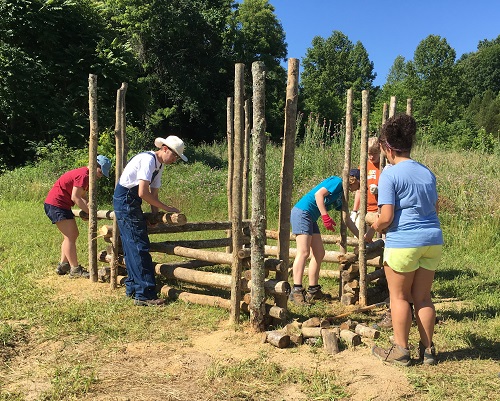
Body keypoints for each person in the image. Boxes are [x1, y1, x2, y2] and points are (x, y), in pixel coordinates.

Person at [365, 114, 443, 366]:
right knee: (423, 297)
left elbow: (386, 217)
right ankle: (428, 350)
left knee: (399, 297)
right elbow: (435, 209)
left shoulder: (390, 175)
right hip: (432, 240)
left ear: (387, 147)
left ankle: (401, 351)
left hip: (404, 242)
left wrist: (373, 226)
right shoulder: (427, 172)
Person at [113, 136, 187, 307]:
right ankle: (145, 294)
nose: (175, 160)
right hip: (126, 200)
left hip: (129, 201)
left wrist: (155, 216)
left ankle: (133, 288)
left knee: (132, 246)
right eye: (175, 156)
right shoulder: (148, 160)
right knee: (139, 246)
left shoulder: (159, 164)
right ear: (165, 149)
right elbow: (142, 193)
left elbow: (154, 193)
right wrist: (167, 208)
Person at [288, 169, 361, 305]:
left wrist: (361, 237)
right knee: (303, 252)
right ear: (354, 180)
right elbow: (318, 195)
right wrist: (325, 216)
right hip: (302, 213)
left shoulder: (342, 195)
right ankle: (296, 291)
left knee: (319, 253)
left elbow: (347, 220)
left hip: (311, 217)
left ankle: (313, 290)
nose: (358, 189)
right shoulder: (337, 182)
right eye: (360, 185)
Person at [45, 154, 112, 278]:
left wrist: (87, 208)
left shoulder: (86, 176)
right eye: (100, 172)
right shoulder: (84, 175)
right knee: (71, 235)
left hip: (60, 205)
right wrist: (91, 213)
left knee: (70, 236)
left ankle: (64, 265)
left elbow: (82, 196)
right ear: (95, 166)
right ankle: (75, 269)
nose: (100, 176)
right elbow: (75, 197)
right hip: (57, 205)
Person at [350, 136, 381, 228]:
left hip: (381, 209)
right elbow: (359, 190)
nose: (372, 157)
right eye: (369, 154)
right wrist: (354, 211)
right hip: (365, 209)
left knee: (383, 234)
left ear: (380, 151)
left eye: (375, 153)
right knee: (359, 231)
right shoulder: (364, 166)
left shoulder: (384, 166)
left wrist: (379, 190)